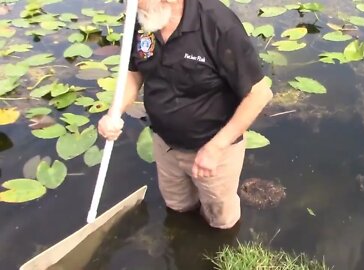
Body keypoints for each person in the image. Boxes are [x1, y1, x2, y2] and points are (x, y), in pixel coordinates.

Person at [98, 0, 272, 229]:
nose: (127, 5)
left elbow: (259, 94)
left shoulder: (217, 25)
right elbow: (135, 73)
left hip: (213, 151)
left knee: (220, 221)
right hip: (165, 144)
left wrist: (216, 147)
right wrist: (114, 112)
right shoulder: (142, 21)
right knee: (177, 209)